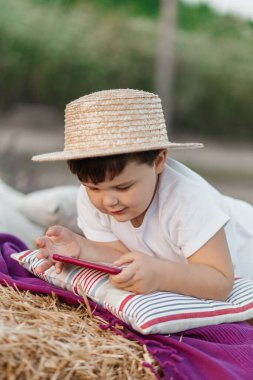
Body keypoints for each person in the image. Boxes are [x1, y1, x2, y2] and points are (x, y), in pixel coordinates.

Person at [32, 89, 253, 301]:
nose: (108, 200)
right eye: (94, 188)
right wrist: (82, 249)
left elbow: (220, 281)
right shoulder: (90, 198)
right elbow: (121, 257)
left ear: (158, 161)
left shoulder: (187, 200)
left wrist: (160, 274)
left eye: (123, 187)